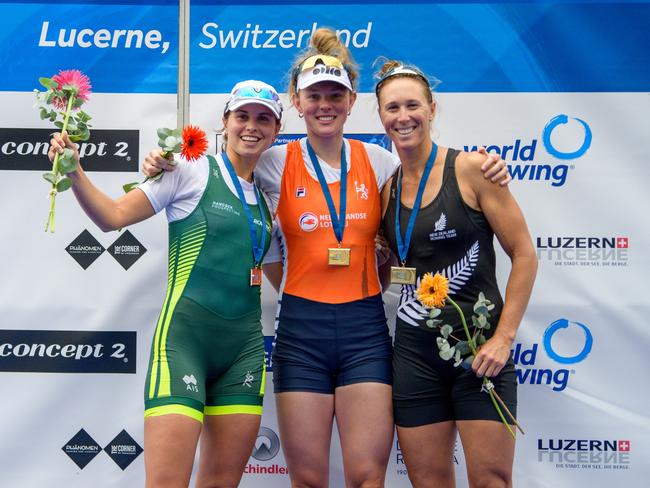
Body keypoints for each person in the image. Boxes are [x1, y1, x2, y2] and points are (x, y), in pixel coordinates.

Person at [143, 29, 510, 488]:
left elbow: (427, 182)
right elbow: (222, 173)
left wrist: (487, 163)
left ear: (351, 100)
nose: (324, 105)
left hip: (365, 332)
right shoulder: (275, 160)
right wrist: (164, 162)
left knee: (365, 478)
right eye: (314, 95)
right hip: (301, 332)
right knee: (310, 480)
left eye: (334, 94)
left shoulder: (378, 162)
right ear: (296, 102)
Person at [49, 80, 283, 488]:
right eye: (242, 116)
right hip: (183, 346)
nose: (252, 126)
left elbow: (287, 281)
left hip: (244, 353)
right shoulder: (189, 169)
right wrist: (75, 170)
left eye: (264, 119)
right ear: (224, 122)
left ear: (276, 130)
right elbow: (114, 216)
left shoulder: (268, 199)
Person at [376, 59, 537, 488]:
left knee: (491, 482)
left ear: (431, 109)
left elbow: (524, 254)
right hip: (415, 357)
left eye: (412, 105)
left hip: (481, 353)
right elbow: (388, 272)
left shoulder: (472, 170)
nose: (403, 116)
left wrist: (503, 339)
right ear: (380, 116)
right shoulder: (386, 189)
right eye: (392, 108)